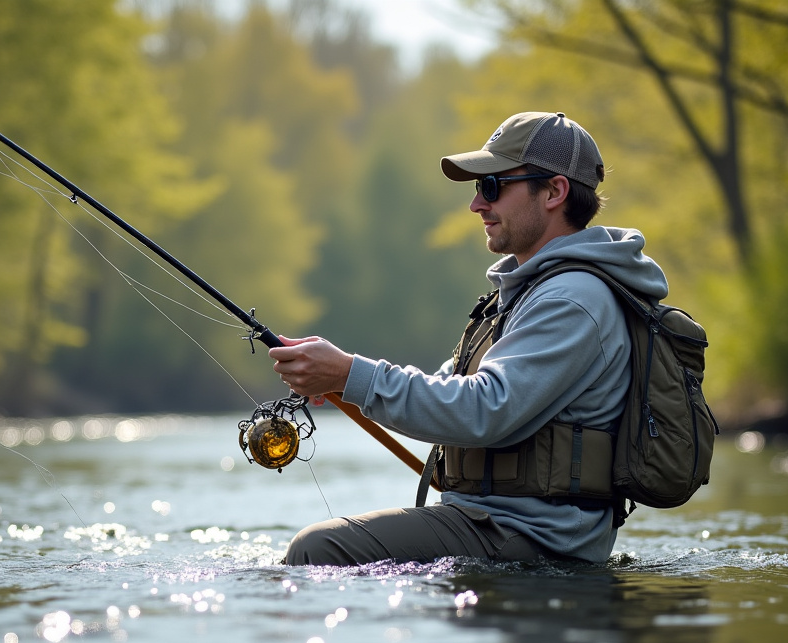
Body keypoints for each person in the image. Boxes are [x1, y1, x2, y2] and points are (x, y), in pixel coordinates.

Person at [270, 111, 669, 566]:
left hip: (532, 538)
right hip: (495, 525)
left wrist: (351, 372)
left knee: (316, 549)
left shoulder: (573, 300)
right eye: (478, 189)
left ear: (555, 192)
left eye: (493, 186)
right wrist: (338, 380)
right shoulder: (531, 294)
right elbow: (448, 394)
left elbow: (484, 409)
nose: (477, 205)